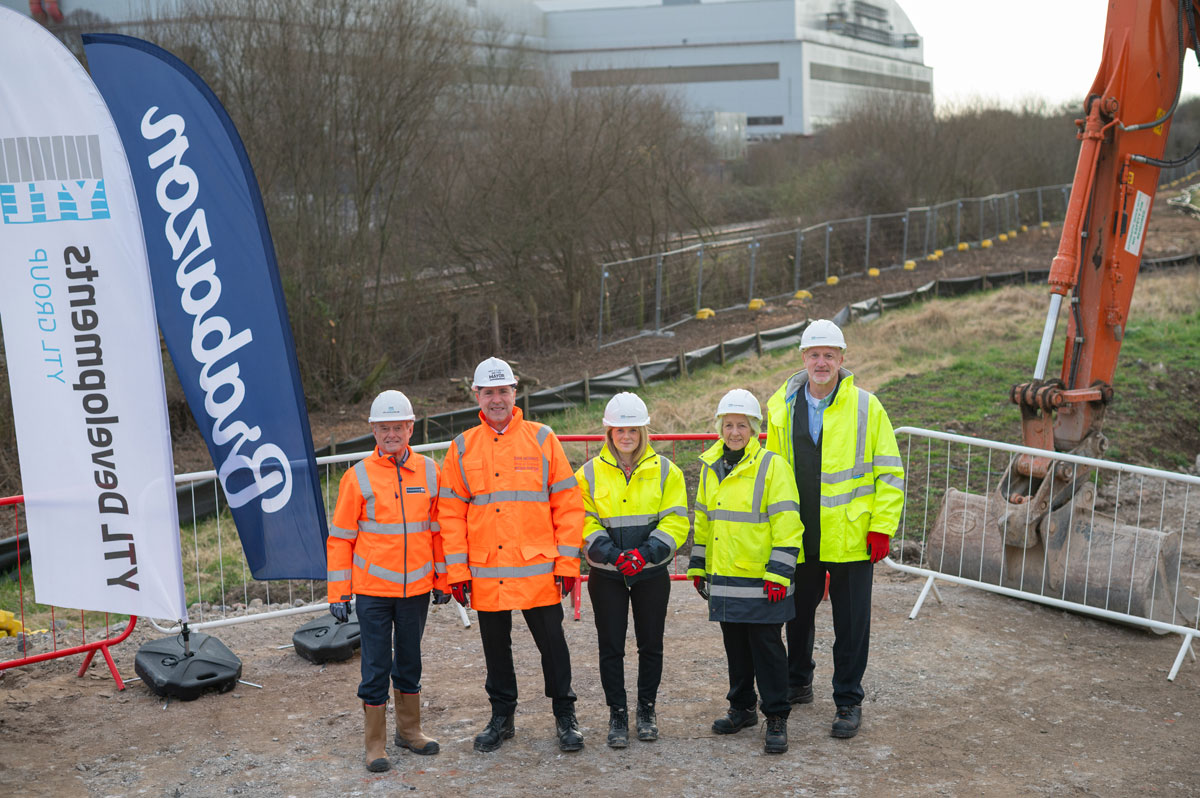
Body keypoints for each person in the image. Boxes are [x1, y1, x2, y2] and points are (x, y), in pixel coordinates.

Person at [765, 318, 905, 739]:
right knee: (797, 614)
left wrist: (881, 527)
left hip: (852, 536)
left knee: (851, 623)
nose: (821, 362)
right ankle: (798, 681)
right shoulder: (780, 406)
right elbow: (770, 474)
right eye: (814, 355)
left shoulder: (867, 406)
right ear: (803, 359)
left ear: (842, 359)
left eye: (829, 355)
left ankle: (847, 700)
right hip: (799, 532)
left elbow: (890, 473)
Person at [438, 356, 586, 753]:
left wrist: (568, 562)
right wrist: (457, 572)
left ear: (515, 393)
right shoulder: (462, 447)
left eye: (503, 391)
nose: (497, 399)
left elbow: (568, 506)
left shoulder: (541, 438)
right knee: (495, 651)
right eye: (489, 392)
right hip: (487, 572)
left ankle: (564, 715)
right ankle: (502, 717)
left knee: (553, 646)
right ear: (477, 397)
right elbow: (449, 514)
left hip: (536, 570)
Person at [326, 390, 451, 773]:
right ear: (373, 431)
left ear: (411, 428)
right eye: (385, 428)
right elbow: (341, 538)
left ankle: (409, 731)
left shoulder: (431, 471)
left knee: (409, 660)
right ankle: (375, 743)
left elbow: (438, 531)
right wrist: (338, 591)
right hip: (372, 592)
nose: (392, 434)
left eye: (398, 427)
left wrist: (442, 580)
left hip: (415, 590)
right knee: (376, 665)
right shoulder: (357, 477)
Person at [686, 388, 803, 754]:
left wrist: (779, 573)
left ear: (754, 428)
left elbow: (789, 524)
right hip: (724, 576)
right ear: (720, 427)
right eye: (728, 424)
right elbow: (703, 520)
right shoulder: (711, 467)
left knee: (767, 649)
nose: (734, 431)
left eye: (742, 425)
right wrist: (698, 564)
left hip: (762, 579)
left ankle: (777, 717)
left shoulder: (772, 466)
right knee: (735, 647)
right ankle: (741, 708)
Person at [576, 392, 689, 748]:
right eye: (619, 430)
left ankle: (646, 711)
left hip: (651, 572)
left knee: (650, 644)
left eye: (633, 430)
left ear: (643, 432)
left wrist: (645, 553)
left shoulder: (666, 471)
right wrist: (611, 554)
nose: (627, 436)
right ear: (608, 432)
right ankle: (617, 715)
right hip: (606, 574)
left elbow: (676, 520)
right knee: (611, 646)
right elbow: (583, 519)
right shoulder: (588, 474)